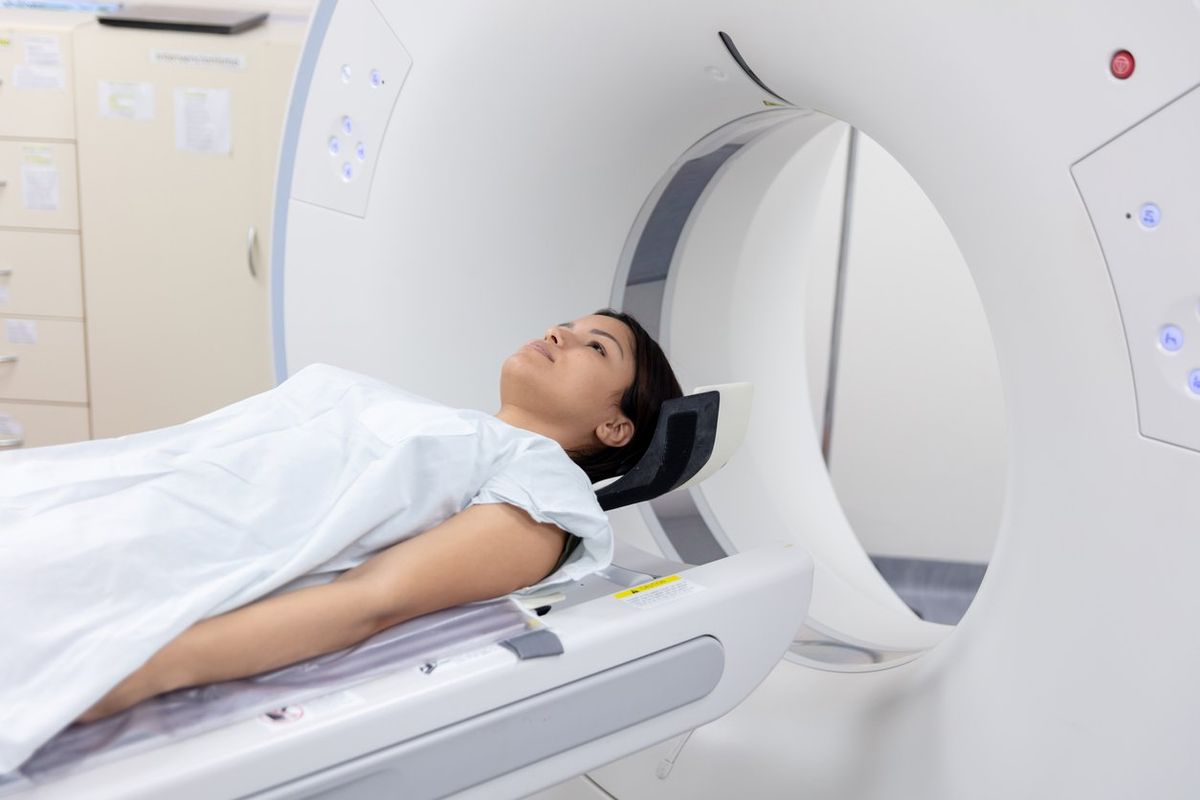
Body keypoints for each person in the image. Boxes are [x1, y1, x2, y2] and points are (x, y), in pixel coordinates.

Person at [0, 309, 682, 773]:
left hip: (151, 547)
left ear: (617, 428)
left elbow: (372, 601)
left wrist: (140, 668)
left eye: (598, 347)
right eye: (567, 324)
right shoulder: (452, 424)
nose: (561, 333)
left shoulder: (544, 488)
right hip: (114, 486)